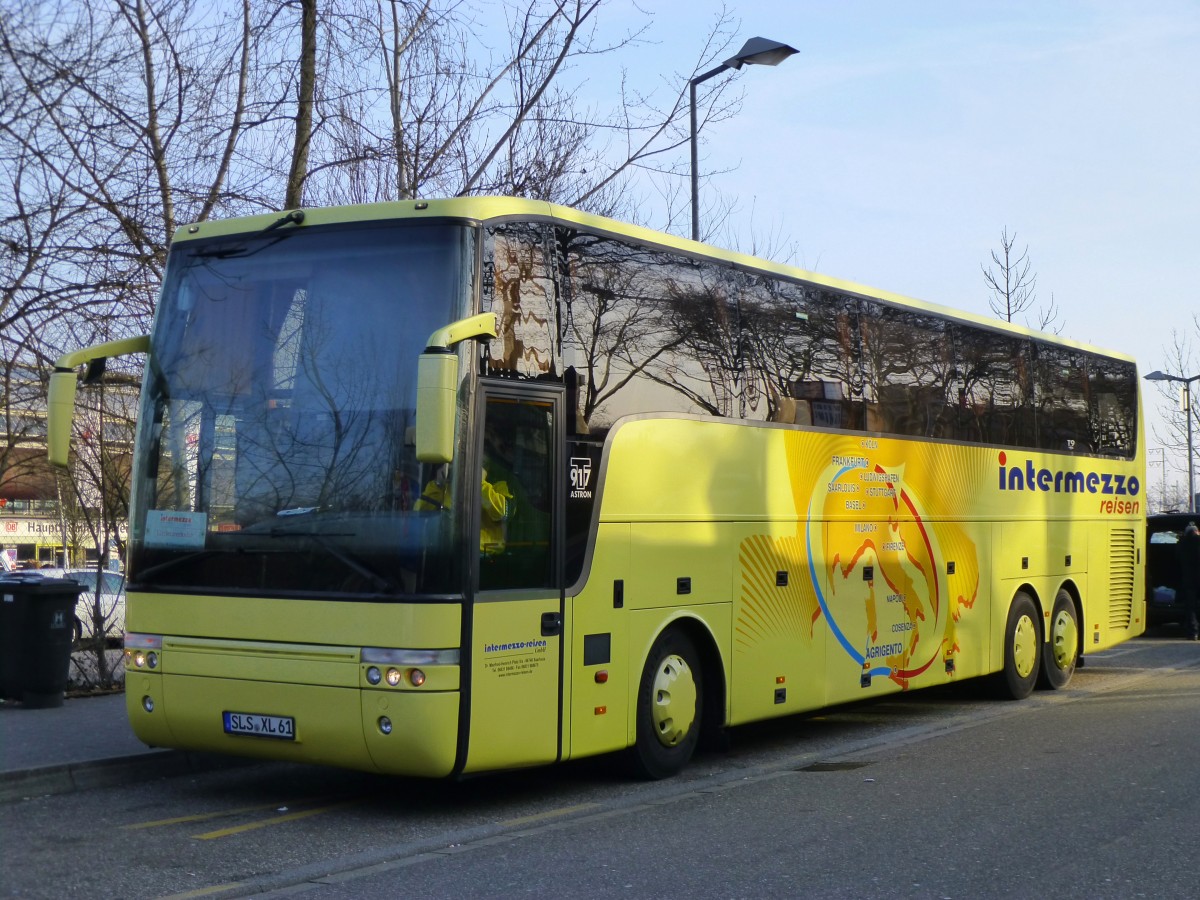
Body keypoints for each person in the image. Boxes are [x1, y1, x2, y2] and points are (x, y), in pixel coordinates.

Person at [1178, 522, 1200, 641]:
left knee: (1191, 607)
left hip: (1189, 580)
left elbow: (1177, 559)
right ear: (1197, 531)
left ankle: (1193, 632)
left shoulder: (1182, 544)